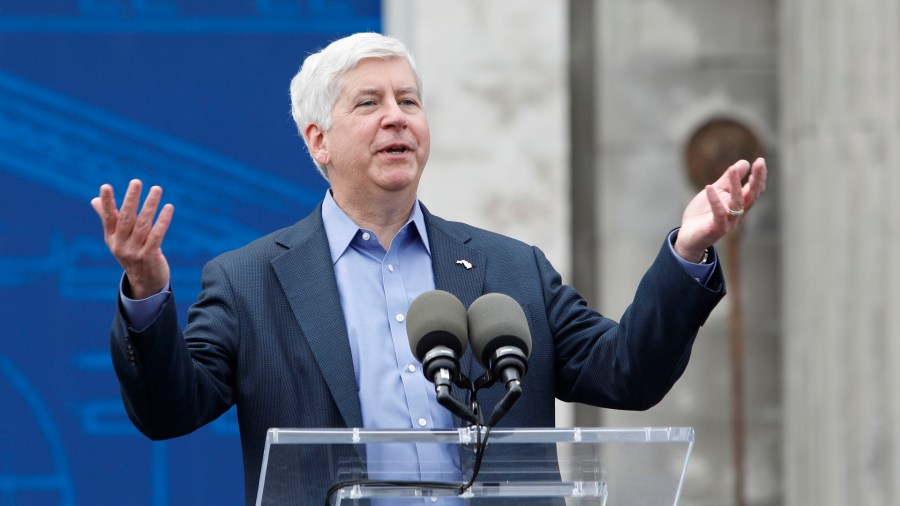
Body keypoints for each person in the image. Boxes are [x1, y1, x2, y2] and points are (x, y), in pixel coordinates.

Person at [91, 32, 767, 505]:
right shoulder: (248, 282)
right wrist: (148, 291)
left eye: (409, 101)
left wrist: (688, 250)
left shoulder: (510, 269)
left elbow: (628, 371)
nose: (398, 119)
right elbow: (168, 411)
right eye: (370, 103)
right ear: (317, 141)